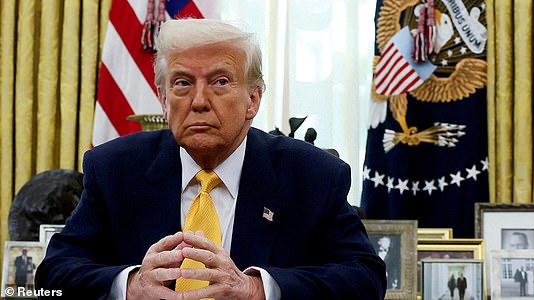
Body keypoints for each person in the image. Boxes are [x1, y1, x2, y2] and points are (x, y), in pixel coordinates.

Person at [35, 18, 386, 300]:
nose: (199, 101)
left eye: (219, 82)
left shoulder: (311, 176)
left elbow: (365, 279)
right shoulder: (115, 169)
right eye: (183, 83)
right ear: (163, 99)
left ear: (253, 99)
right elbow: (54, 274)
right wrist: (130, 286)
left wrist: (256, 289)